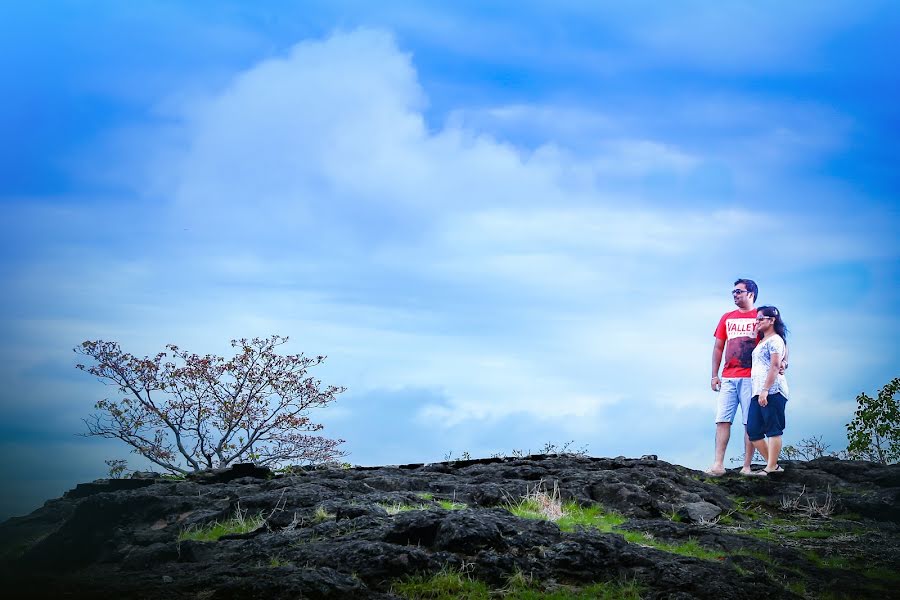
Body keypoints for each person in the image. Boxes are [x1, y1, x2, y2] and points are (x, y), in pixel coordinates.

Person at [706, 279, 764, 476]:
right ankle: (718, 464)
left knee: (750, 422)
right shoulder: (727, 317)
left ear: (751, 293)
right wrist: (714, 375)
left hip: (752, 377)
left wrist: (783, 362)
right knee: (722, 419)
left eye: (739, 291)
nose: (735, 295)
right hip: (728, 376)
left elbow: (778, 339)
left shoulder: (761, 316)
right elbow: (718, 347)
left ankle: (746, 467)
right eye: (733, 292)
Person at [747, 306, 789, 475]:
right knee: (753, 430)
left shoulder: (775, 340)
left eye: (761, 319)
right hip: (757, 391)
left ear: (772, 320)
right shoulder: (762, 341)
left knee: (773, 428)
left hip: (772, 391)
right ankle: (773, 465)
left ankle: (771, 467)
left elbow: (775, 365)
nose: (757, 322)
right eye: (756, 319)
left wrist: (766, 389)